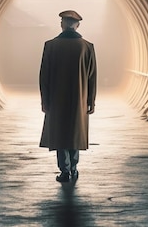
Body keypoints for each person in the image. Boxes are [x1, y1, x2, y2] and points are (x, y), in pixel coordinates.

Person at [39, 10, 97, 182]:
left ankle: (64, 170)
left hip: (57, 99)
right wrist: (91, 101)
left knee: (60, 133)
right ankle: (74, 167)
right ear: (77, 25)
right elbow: (92, 76)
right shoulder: (87, 46)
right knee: (75, 132)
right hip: (79, 99)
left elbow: (44, 76)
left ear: (62, 25)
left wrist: (45, 100)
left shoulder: (50, 46)